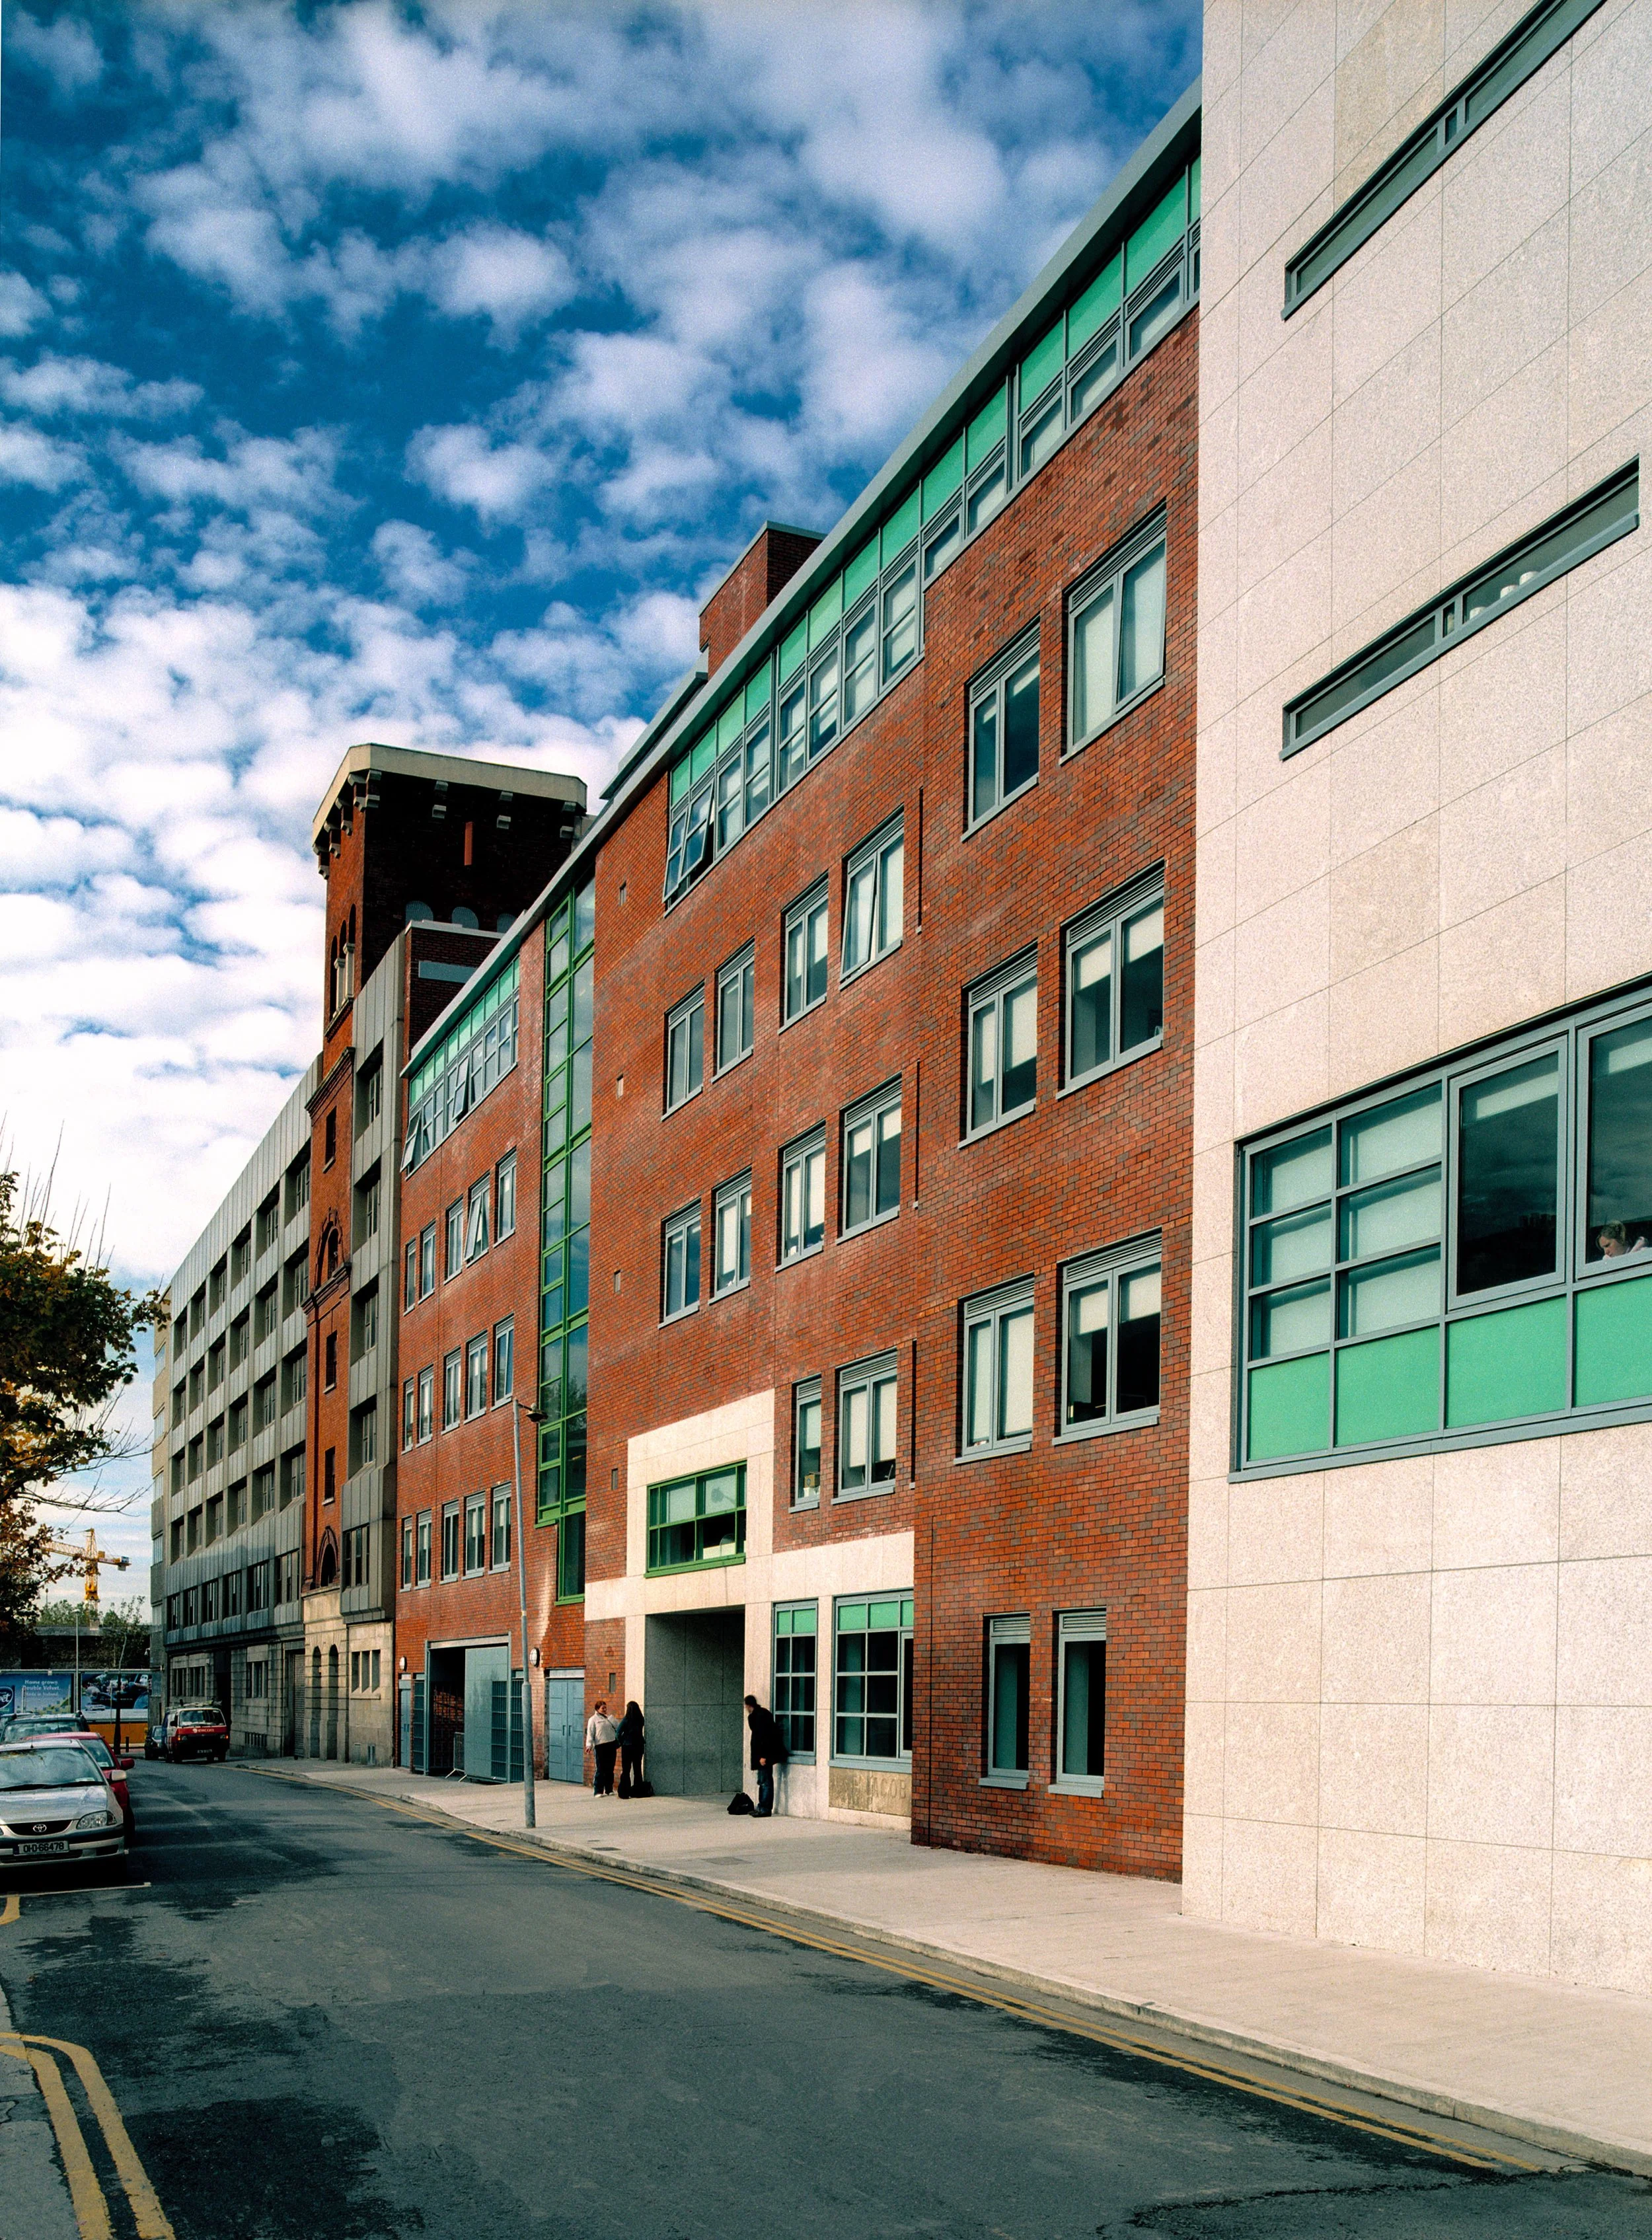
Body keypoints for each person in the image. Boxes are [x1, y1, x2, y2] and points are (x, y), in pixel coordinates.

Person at [744, 1693, 785, 1818]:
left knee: (766, 1781)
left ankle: (765, 1808)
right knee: (762, 1781)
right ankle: (761, 1806)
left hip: (764, 1755)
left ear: (748, 1705)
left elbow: (765, 1738)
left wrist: (764, 1756)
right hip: (761, 1754)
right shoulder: (758, 1715)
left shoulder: (760, 1716)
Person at [585, 1698, 619, 1797]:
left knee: (610, 1768)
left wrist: (610, 1718)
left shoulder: (610, 1718)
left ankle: (609, 1789)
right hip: (600, 1746)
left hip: (611, 1744)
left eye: (605, 1708)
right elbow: (590, 1733)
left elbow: (618, 1727)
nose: (604, 1710)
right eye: (602, 1708)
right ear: (597, 1709)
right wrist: (589, 1745)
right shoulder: (593, 1720)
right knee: (601, 1769)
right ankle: (598, 1791)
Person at [617, 1700, 645, 1799]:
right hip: (639, 1746)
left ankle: (625, 1792)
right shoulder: (641, 1719)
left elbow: (618, 1732)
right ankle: (638, 1791)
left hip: (627, 1747)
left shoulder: (626, 1720)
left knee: (626, 1770)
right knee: (637, 1770)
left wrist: (621, 1742)